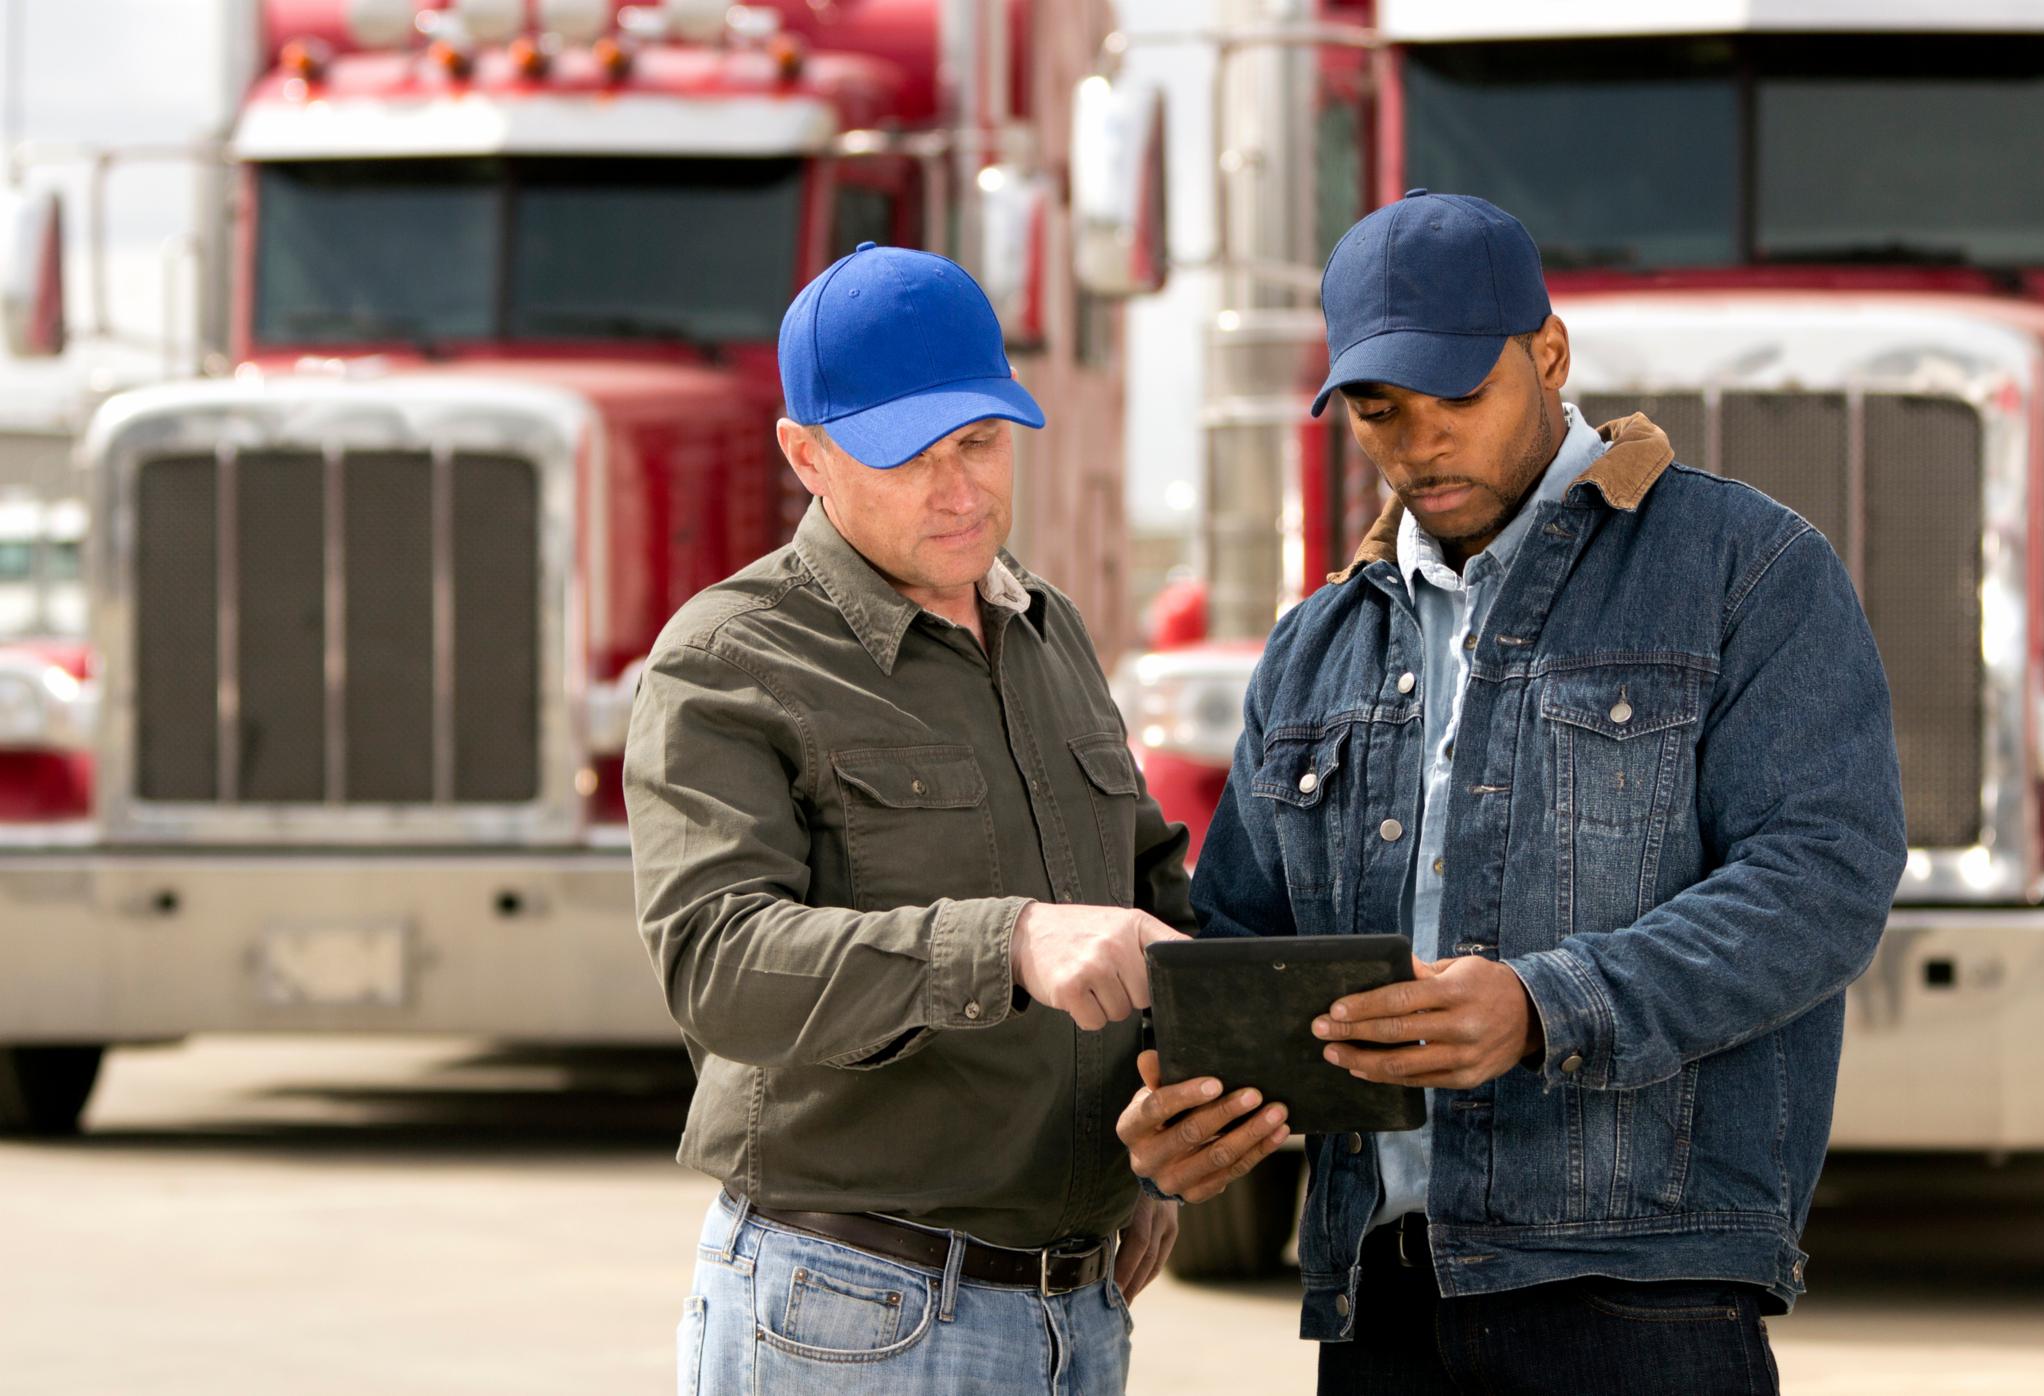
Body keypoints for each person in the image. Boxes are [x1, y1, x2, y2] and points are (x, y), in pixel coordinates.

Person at [1118, 191, 1907, 1394]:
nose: (1419, 443)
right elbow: (1241, 940)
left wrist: (1545, 1006)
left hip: (1645, 1296)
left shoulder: (1747, 570)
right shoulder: (1315, 645)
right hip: (1377, 1301)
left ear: (1549, 356)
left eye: (1459, 399)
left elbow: (1824, 879)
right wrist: (1185, 1106)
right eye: (1380, 411)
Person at [625, 241, 1192, 1395]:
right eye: (908, 456)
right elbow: (717, 962)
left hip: (1080, 1310)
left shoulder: (1049, 634)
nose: (962, 488)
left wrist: (1163, 1138)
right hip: (850, 1316)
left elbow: (1146, 896)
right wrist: (1011, 941)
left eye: (981, 443)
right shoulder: (730, 657)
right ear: (808, 455)